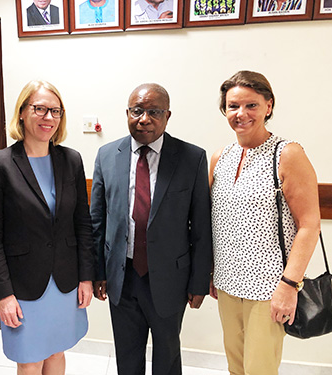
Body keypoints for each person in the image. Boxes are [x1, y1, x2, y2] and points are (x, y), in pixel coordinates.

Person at [91, 83, 213, 375]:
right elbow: (97, 221)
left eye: (154, 112)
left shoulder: (191, 158)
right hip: (123, 275)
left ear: (167, 116)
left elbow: (201, 226)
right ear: (127, 113)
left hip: (171, 278)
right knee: (127, 353)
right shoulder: (107, 155)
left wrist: (199, 282)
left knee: (167, 354)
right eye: (137, 111)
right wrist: (97, 272)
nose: (144, 118)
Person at [0, 80, 95, 375]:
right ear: (21, 113)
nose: (48, 118)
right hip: (24, 286)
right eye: (40, 109)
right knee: (29, 360)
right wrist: (3, 294)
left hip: (65, 280)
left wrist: (86, 277)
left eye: (55, 111)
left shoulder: (71, 160)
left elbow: (82, 223)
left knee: (57, 351)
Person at [209, 71, 320, 375]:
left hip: (270, 288)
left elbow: (310, 224)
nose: (241, 114)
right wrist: (210, 271)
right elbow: (215, 221)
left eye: (251, 105)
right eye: (233, 106)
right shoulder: (221, 157)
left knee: (260, 369)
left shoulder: (287, 154)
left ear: (268, 106)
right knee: (236, 367)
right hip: (227, 283)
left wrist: (289, 285)